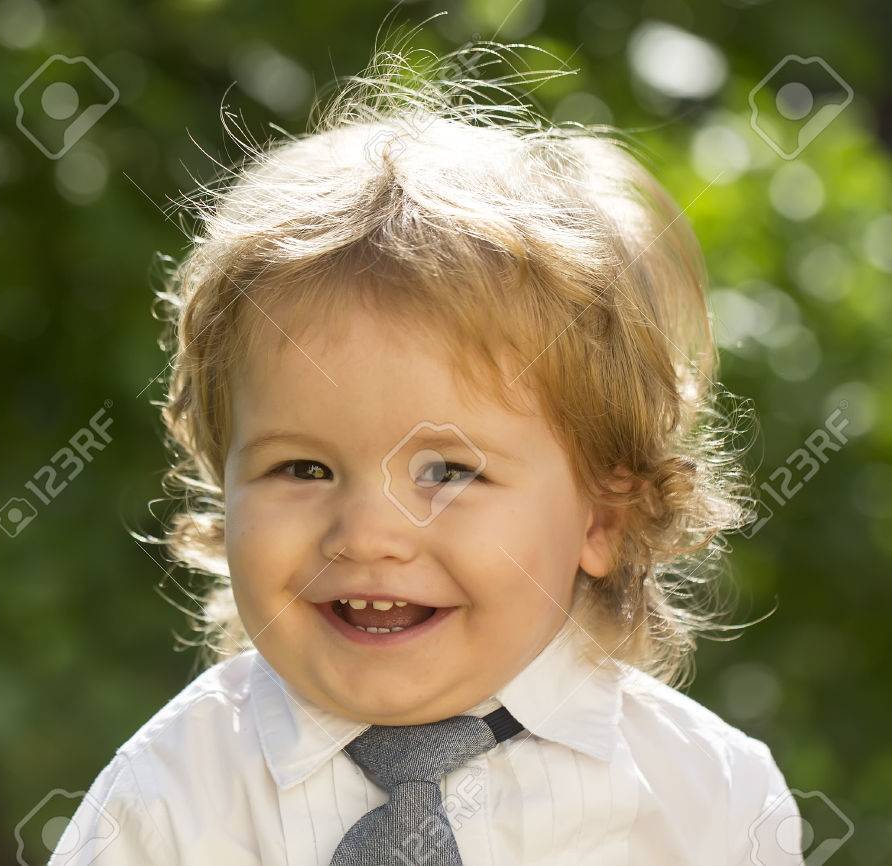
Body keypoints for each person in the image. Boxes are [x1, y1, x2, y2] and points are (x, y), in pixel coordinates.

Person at [52, 44, 802, 865]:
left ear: (604, 518)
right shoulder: (167, 800)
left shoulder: (708, 801)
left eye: (448, 472)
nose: (368, 534)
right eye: (303, 469)